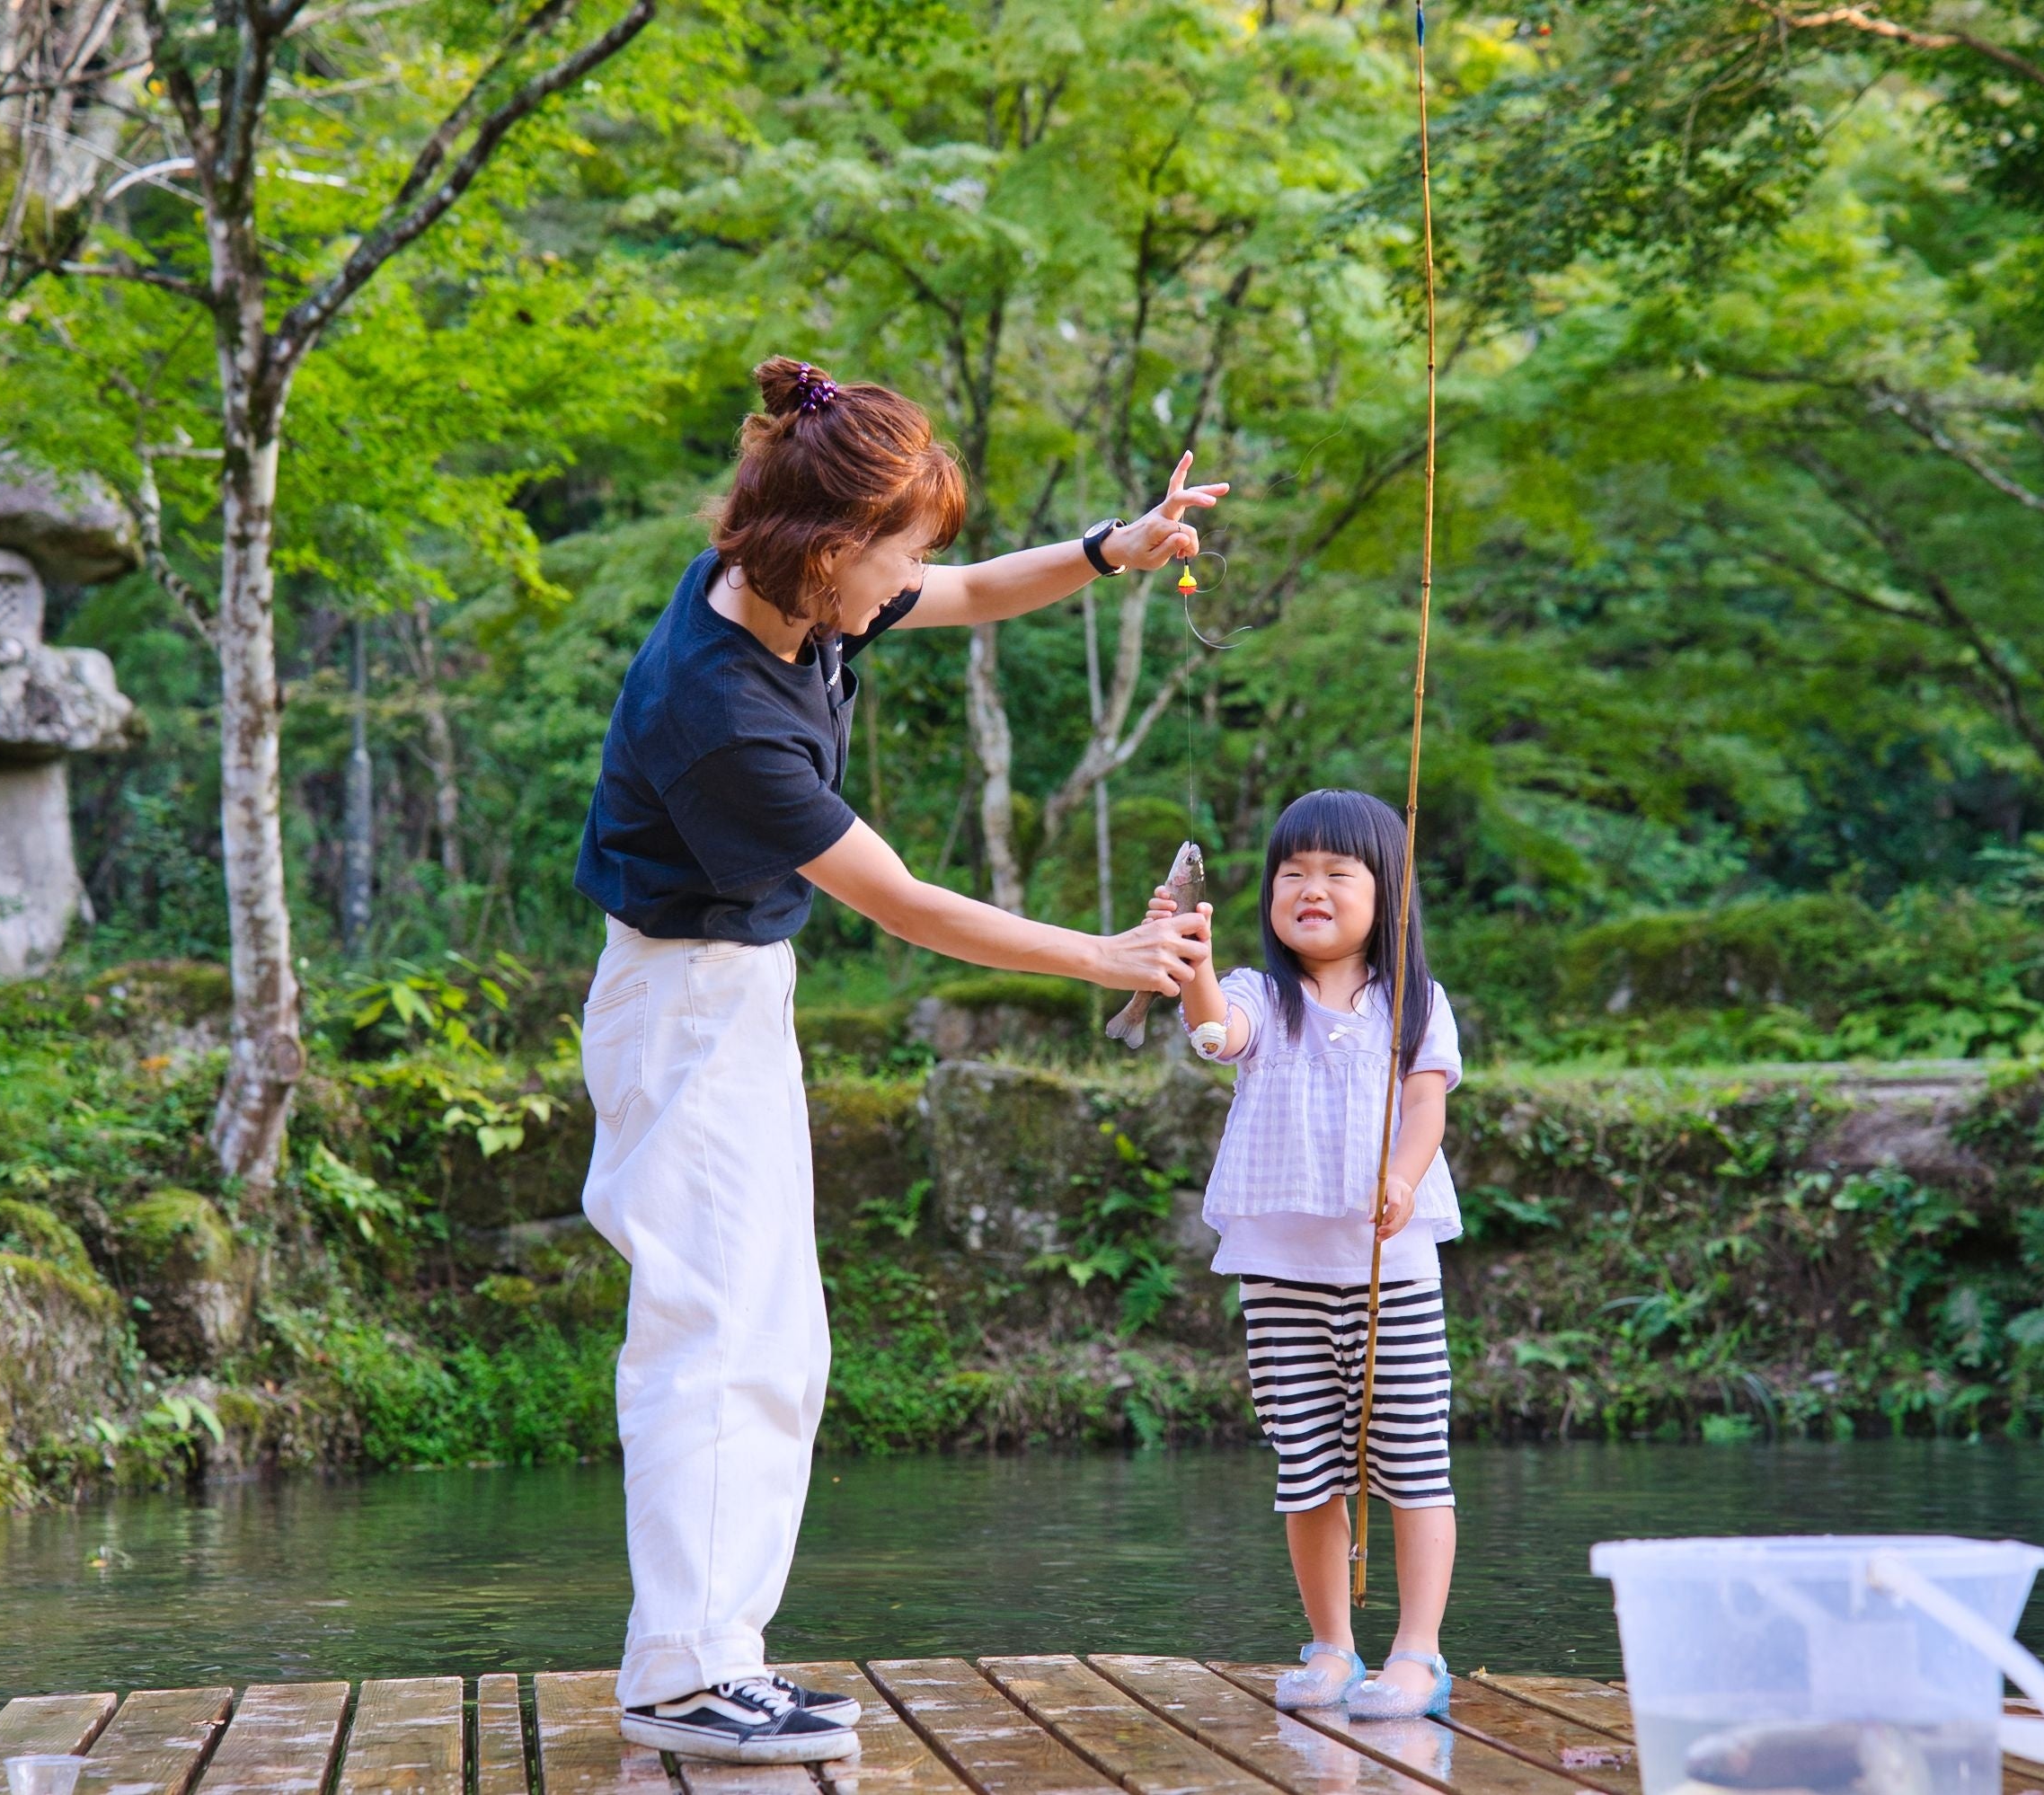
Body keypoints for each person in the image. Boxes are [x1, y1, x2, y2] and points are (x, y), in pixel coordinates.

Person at [573, 355, 1221, 1764]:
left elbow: (983, 588)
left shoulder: (799, 603)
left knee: (776, 1338)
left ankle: (712, 1656)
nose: (908, 579)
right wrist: (1103, 954)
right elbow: (909, 903)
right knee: (712, 1331)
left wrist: (1116, 547)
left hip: (733, 995)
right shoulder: (720, 706)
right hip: (681, 1006)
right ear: (823, 548)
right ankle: (684, 1672)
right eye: (896, 554)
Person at [1155, 787, 1463, 1720]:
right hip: (1277, 1270)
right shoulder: (1257, 992)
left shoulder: (1414, 1000)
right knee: (1307, 1464)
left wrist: (1404, 1180)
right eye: (1294, 873)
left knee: (1411, 1461)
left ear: (1386, 895)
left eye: (1338, 872)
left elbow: (1426, 1106)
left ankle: (1417, 1652)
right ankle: (1330, 1645)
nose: (1312, 889)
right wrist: (1194, 964)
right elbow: (1215, 1033)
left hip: (1389, 1268)